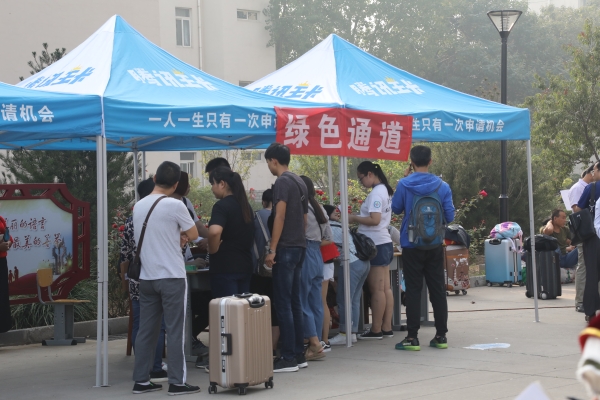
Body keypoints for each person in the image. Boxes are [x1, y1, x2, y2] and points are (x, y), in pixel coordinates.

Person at [131, 161, 200, 395]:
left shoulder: (139, 206)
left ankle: (141, 381)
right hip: (171, 277)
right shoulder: (175, 205)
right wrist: (182, 235)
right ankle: (177, 382)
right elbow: (194, 234)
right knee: (175, 331)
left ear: (154, 179)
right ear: (176, 184)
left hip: (147, 278)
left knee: (146, 331)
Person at [391, 145, 455, 351]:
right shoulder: (442, 186)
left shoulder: (404, 184)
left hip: (411, 243)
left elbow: (395, 208)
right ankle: (441, 336)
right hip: (435, 243)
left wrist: (404, 179)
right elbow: (450, 216)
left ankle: (412, 337)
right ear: (430, 161)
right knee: (437, 289)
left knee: (413, 289)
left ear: (411, 161)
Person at [264, 142, 308, 373]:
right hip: (300, 246)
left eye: (268, 163)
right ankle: (299, 354)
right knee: (295, 302)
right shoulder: (300, 181)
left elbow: (279, 216)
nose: (269, 167)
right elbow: (305, 219)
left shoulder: (282, 182)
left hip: (286, 247)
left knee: (283, 304)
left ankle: (288, 357)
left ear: (274, 160)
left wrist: (272, 249)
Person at [120, 178, 169, 383]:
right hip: (156, 276)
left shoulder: (131, 220)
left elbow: (124, 256)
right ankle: (155, 367)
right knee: (158, 325)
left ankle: (141, 366)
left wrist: (125, 282)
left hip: (136, 278)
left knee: (139, 324)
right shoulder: (161, 217)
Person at [349, 161, 394, 340]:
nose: (361, 183)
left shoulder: (376, 193)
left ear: (369, 174)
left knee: (377, 290)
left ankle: (376, 330)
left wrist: (354, 218)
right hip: (384, 242)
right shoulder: (385, 190)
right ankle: (386, 327)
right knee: (385, 288)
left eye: (361, 179)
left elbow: (375, 220)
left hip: (375, 243)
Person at [324, 205, 371, 346]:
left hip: (351, 263)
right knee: (354, 300)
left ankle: (345, 333)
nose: (337, 214)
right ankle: (352, 333)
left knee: (344, 299)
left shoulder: (329, 227)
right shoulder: (341, 225)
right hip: (363, 262)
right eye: (335, 212)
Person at [207, 167, 255, 297]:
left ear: (222, 184)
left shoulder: (221, 206)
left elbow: (214, 232)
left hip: (224, 267)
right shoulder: (246, 206)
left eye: (213, 184)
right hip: (245, 265)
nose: (212, 188)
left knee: (226, 308)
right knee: (242, 307)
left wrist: (212, 249)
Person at [299, 175, 331, 360]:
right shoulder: (319, 208)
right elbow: (329, 238)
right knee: (316, 302)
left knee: (302, 300)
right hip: (318, 255)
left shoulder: (302, 208)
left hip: (305, 253)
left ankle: (313, 343)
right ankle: (317, 341)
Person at [249, 189, 281, 355]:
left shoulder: (255, 217)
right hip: (278, 268)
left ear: (263, 201)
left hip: (259, 270)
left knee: (257, 308)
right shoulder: (282, 217)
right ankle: (273, 348)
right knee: (275, 308)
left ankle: (259, 346)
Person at [576, 161, 600, 320]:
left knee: (592, 274)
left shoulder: (592, 188)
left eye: (595, 170)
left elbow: (578, 209)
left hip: (593, 237)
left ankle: (590, 311)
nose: (593, 173)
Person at [570, 166, 594, 313]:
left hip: (594, 231)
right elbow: (576, 210)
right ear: (591, 172)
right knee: (583, 266)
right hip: (585, 232)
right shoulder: (578, 188)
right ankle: (580, 301)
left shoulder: (591, 187)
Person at [0, 216, 12, 333]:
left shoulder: (1, 219)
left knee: (2, 295)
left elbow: (8, 236)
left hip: (1, 262)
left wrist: (8, 242)